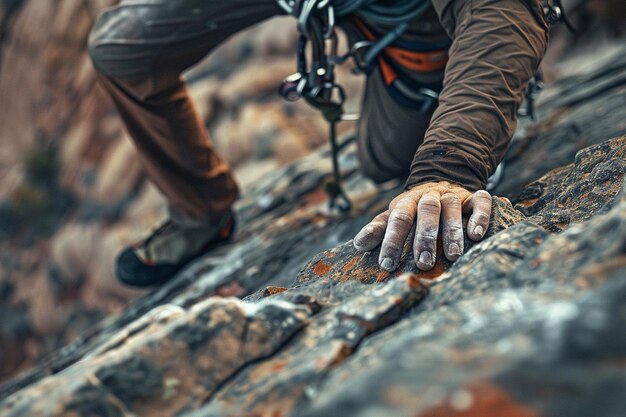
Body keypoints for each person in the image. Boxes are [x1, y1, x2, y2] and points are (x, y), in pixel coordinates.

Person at [88, 0, 548, 286]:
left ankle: (457, 79)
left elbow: (502, 11)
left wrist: (448, 167)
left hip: (416, 23)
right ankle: (199, 214)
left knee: (386, 158)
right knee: (122, 46)